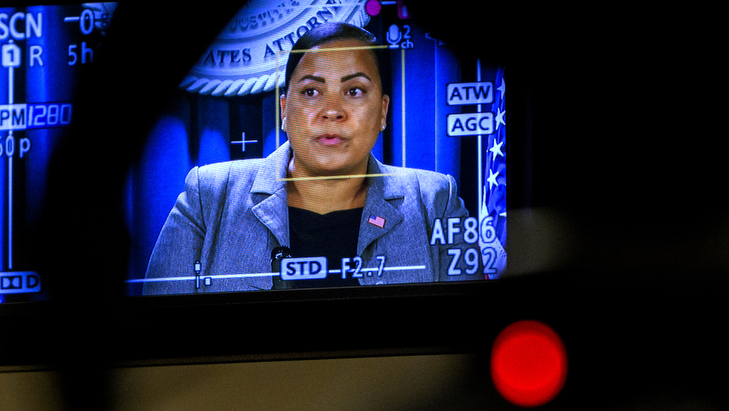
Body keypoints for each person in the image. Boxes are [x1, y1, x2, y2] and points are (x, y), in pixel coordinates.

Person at [143, 23, 497, 293]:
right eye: (311, 92)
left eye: (354, 91)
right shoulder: (209, 196)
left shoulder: (435, 200)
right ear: (284, 110)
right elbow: (156, 335)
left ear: (383, 112)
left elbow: (465, 332)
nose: (332, 111)